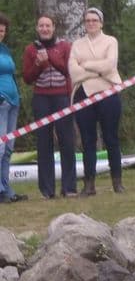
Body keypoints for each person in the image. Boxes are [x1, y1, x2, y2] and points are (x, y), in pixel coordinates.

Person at [68, 7, 124, 195]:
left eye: (94, 20)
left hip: (108, 90)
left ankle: (117, 182)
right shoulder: (77, 44)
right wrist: (96, 69)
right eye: (87, 20)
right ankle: (89, 184)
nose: (91, 23)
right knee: (87, 140)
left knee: (111, 138)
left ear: (101, 23)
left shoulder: (110, 41)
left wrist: (87, 65)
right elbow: (73, 72)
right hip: (83, 93)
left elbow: (110, 65)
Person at [22, 15, 77, 199]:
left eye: (48, 25)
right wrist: (38, 64)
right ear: (37, 28)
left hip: (62, 96)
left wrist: (50, 59)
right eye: (41, 26)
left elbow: (68, 71)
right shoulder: (31, 49)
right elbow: (28, 78)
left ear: (54, 28)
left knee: (66, 140)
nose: (45, 29)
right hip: (42, 98)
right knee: (43, 142)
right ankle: (47, 190)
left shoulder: (64, 46)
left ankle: (69, 187)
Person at [0, 13, 28, 204]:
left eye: (2, 30)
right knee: (0, 148)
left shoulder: (5, 50)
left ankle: (6, 188)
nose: (0, 33)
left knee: (8, 149)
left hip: (13, 102)